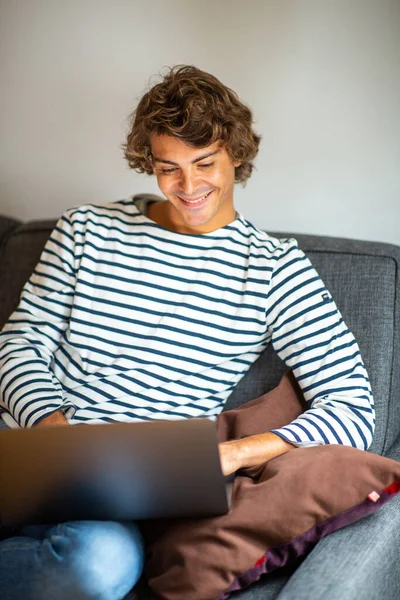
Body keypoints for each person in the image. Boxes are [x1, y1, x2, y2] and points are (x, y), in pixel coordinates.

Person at [0, 65, 376, 600]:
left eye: (204, 164)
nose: (188, 187)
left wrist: (235, 454)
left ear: (237, 155)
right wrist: (53, 431)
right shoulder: (85, 228)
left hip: (118, 496)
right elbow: (19, 343)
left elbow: (353, 410)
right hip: (22, 445)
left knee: (99, 570)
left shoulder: (274, 270)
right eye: (168, 168)